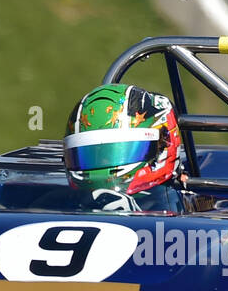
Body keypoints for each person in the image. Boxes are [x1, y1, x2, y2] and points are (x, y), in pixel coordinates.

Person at [61, 83, 187, 212]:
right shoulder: (53, 204)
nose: (102, 165)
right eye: (90, 154)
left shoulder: (193, 226)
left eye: (117, 152)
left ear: (164, 144)